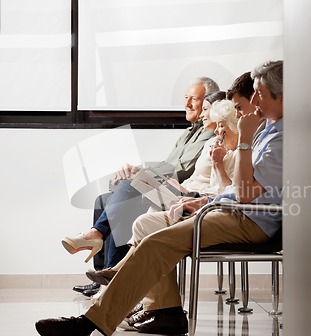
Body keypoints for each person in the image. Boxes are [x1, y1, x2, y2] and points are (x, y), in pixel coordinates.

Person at [35, 60, 283, 336]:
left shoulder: (279, 138)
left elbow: (246, 194)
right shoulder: (268, 130)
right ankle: (165, 311)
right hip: (230, 209)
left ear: (282, 96)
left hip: (249, 220)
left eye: (260, 94)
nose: (253, 101)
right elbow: (240, 188)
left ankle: (91, 320)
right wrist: (204, 201)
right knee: (146, 225)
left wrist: (245, 140)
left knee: (155, 242)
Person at [64, 77, 219, 296]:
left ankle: (99, 242)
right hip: (170, 188)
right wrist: (139, 170)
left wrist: (140, 172)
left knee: (127, 192)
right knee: (103, 200)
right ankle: (102, 276)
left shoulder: (212, 133)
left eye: (194, 100)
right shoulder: (188, 133)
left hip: (182, 193)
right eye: (186, 98)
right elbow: (168, 165)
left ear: (210, 103)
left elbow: (181, 170)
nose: (188, 105)